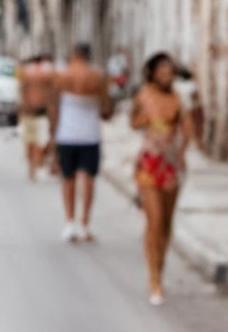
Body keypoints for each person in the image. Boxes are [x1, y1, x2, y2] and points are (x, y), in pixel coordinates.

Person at [129, 53, 196, 305]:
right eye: (162, 71)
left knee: (166, 223)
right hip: (149, 161)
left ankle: (161, 266)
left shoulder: (178, 99)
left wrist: (181, 151)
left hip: (170, 163)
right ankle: (153, 278)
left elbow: (187, 129)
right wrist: (145, 120)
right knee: (154, 220)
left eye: (170, 72)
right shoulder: (144, 95)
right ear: (153, 73)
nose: (167, 76)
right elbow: (133, 122)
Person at [48, 42, 113, 243]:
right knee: (89, 180)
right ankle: (85, 223)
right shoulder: (99, 77)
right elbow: (106, 110)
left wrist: (52, 137)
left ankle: (69, 223)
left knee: (68, 179)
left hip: (66, 135)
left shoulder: (61, 76)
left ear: (73, 55)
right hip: (90, 135)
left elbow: (53, 109)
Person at [17, 53, 56, 181]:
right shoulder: (48, 74)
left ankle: (33, 166)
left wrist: (22, 109)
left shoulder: (26, 73)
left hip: (30, 111)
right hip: (40, 112)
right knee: (39, 141)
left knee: (31, 140)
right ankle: (36, 165)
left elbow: (22, 92)